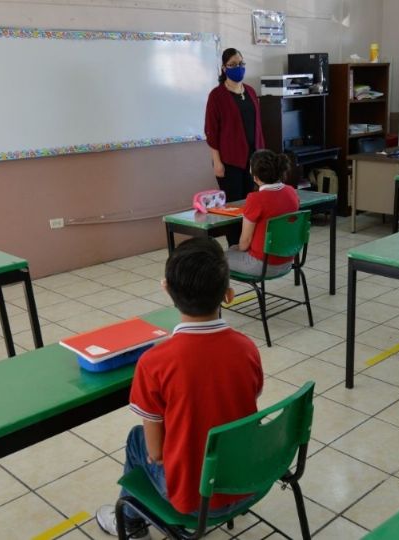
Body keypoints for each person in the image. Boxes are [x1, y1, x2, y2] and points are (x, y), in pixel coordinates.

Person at [95, 237, 263, 539]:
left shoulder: (154, 362)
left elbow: (156, 452)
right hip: (247, 484)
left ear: (167, 290)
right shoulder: (247, 348)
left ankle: (131, 523)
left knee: (137, 440)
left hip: (195, 503)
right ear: (229, 295)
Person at [205, 47, 266, 246]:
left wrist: (261, 157)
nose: (237, 68)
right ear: (224, 68)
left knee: (250, 205)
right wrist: (217, 161)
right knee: (233, 208)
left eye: (241, 63)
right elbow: (211, 131)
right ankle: (234, 247)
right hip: (229, 161)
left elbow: (257, 126)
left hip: (252, 159)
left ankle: (247, 245)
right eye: (232, 65)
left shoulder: (249, 91)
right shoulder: (217, 95)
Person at [226, 150, 299, 277]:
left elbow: (245, 243)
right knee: (232, 250)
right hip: (287, 261)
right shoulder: (291, 192)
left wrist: (238, 248)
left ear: (254, 176)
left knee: (215, 258)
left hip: (262, 265)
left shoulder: (255, 199)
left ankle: (220, 295)